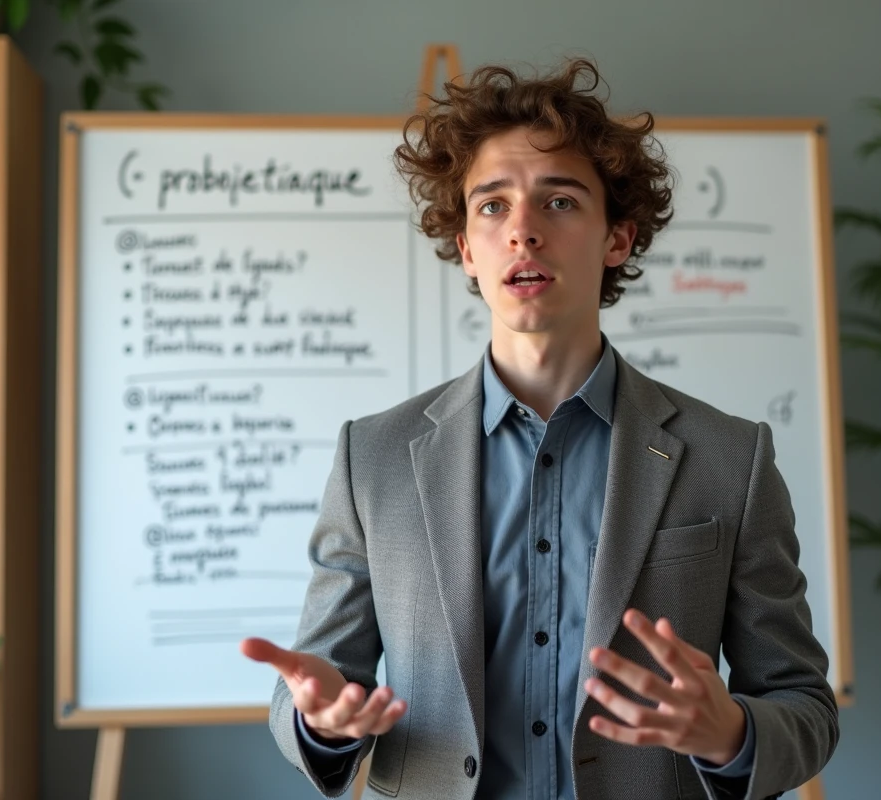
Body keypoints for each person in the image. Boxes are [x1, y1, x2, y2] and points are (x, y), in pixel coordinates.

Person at [241, 58, 838, 800]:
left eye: (559, 201)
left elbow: (804, 706)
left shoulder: (730, 458)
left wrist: (731, 735)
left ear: (617, 239)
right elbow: (314, 687)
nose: (522, 230)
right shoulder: (375, 458)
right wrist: (322, 722)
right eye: (491, 207)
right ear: (465, 247)